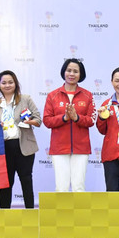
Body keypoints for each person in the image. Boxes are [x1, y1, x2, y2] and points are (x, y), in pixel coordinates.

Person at [0, 70, 41, 208]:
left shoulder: (25, 99)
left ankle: (30, 213)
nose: (7, 85)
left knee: (26, 180)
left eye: (10, 82)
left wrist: (29, 122)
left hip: (23, 146)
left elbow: (38, 120)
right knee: (5, 183)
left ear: (16, 83)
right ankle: (5, 214)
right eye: (4, 83)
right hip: (3, 148)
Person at [43, 58, 94, 192]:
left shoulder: (87, 95)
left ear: (80, 74)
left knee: (78, 187)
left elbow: (91, 120)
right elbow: (47, 120)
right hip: (59, 147)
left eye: (75, 71)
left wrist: (77, 118)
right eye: (69, 70)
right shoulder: (53, 95)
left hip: (81, 148)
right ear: (63, 72)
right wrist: (64, 118)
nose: (71, 74)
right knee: (61, 188)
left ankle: (79, 208)